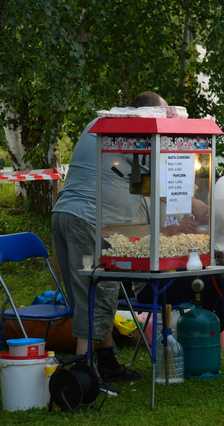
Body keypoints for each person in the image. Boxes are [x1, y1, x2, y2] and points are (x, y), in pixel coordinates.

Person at [51, 91, 167, 385]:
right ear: (148, 115)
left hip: (64, 214)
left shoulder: (99, 122)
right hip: (91, 222)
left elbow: (134, 183)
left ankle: (106, 362)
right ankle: (83, 376)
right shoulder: (135, 131)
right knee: (97, 295)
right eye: (162, 117)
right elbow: (149, 190)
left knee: (85, 295)